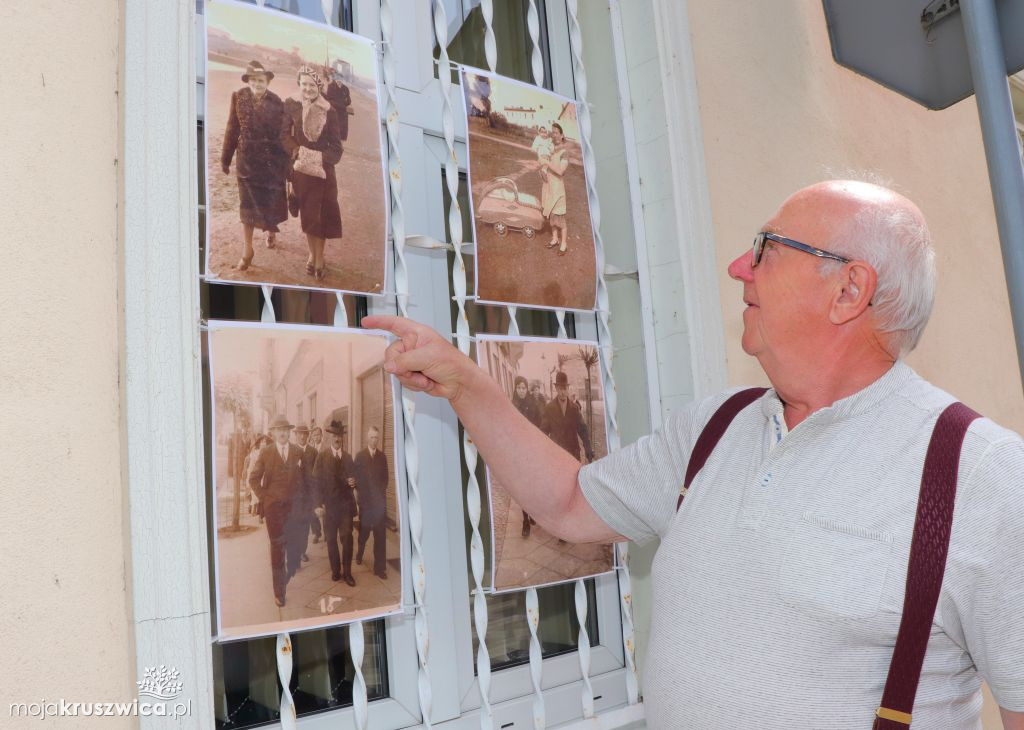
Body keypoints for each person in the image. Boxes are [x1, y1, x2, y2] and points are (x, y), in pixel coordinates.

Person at [363, 180, 1024, 728]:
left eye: (766, 248)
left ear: (850, 291)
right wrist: (467, 386)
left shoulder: (983, 477)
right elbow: (567, 504)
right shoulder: (717, 427)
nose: (740, 267)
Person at [220, 61, 289, 271]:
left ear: (267, 82)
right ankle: (247, 250)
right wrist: (225, 158)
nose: (257, 84)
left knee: (270, 203)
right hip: (246, 162)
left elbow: (282, 137)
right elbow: (232, 128)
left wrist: (286, 166)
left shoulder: (277, 102)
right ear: (248, 81)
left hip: (269, 163)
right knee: (247, 206)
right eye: (253, 80)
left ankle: (270, 232)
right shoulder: (238, 96)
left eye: (261, 80)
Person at [282, 65, 343, 281]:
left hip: (324, 175)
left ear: (319, 86)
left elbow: (337, 149)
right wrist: (297, 150)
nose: (307, 88)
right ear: (299, 84)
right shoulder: (292, 104)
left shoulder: (330, 111)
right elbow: (284, 135)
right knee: (309, 218)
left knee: (322, 219)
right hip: (301, 173)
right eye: (304, 84)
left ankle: (319, 259)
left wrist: (316, 157)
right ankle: (312, 254)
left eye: (312, 84)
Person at [247, 415, 304, 608]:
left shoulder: (297, 452)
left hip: (293, 510)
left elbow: (303, 480)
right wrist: (265, 498)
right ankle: (279, 592)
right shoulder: (266, 452)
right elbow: (253, 479)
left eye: (286, 430)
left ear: (289, 432)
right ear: (273, 432)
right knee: (278, 549)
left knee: (291, 545)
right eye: (279, 430)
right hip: (273, 511)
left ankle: (285, 574)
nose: (283, 433)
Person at [314, 419, 357, 586]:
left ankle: (347, 573)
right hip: (329, 507)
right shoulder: (322, 457)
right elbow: (315, 482)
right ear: (329, 437)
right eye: (334, 435)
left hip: (345, 505)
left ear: (342, 437)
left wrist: (355, 481)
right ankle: (335, 570)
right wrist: (318, 504)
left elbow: (354, 477)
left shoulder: (347, 458)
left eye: (339, 435)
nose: (337, 439)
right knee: (331, 539)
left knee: (347, 538)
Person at [354, 426, 390, 579]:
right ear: (367, 439)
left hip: (379, 504)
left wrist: (379, 496)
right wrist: (362, 497)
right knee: (364, 532)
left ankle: (379, 568)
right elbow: (356, 479)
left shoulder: (382, 457)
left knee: (380, 535)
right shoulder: (360, 456)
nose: (374, 440)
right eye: (372, 437)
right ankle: (360, 550)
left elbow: (385, 479)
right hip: (366, 504)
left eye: (376, 437)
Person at [541, 371, 595, 463]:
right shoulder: (549, 408)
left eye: (565, 388)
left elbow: (583, 430)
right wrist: (545, 451)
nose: (562, 392)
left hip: (573, 453)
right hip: (557, 454)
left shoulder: (574, 408)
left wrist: (588, 449)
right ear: (556, 389)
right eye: (560, 388)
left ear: (568, 388)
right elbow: (544, 432)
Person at [511, 375, 541, 537]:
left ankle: (532, 513)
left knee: (533, 485)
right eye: (519, 388)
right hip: (518, 452)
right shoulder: (512, 405)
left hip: (531, 449)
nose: (521, 391)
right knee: (522, 487)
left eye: (523, 387)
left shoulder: (533, 405)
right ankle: (525, 521)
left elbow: (539, 425)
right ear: (515, 389)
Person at [540, 122, 570, 255]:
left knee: (560, 220)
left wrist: (547, 163)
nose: (554, 135)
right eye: (553, 133)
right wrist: (543, 169)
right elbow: (546, 169)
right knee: (551, 216)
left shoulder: (565, 152)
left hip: (558, 191)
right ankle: (554, 239)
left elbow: (560, 171)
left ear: (562, 135)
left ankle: (564, 244)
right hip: (550, 188)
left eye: (557, 133)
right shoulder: (551, 150)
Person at [322, 60, 352, 142]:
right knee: (332, 129)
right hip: (334, 111)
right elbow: (328, 99)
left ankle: (338, 142)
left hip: (342, 114)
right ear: (335, 79)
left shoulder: (345, 89)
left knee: (341, 132)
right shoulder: (331, 87)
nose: (339, 81)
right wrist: (340, 104)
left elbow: (349, 101)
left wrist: (345, 102)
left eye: (341, 79)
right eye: (338, 79)